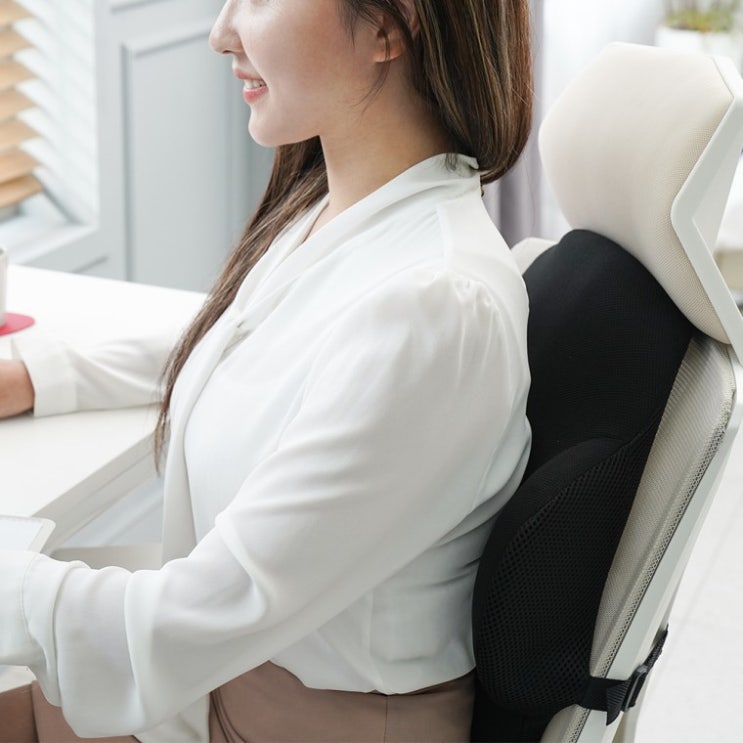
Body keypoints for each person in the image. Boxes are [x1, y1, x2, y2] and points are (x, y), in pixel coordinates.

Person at [0, 0, 533, 740]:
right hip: (220, 678)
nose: (220, 33)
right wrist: (36, 376)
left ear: (389, 26)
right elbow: (250, 341)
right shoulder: (341, 211)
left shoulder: (436, 309)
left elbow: (206, 606)